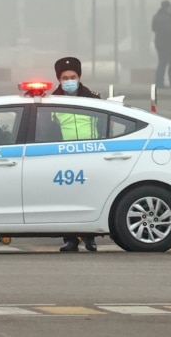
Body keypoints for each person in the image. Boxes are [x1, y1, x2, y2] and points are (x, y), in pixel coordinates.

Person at [51, 57, 99, 253]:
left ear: (79, 78)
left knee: (91, 195)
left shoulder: (93, 99)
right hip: (64, 156)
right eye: (65, 77)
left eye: (73, 77)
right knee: (66, 197)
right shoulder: (52, 101)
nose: (69, 80)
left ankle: (90, 238)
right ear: (59, 80)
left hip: (91, 154)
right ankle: (70, 239)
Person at [151, 0, 171, 88]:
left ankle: (158, 81)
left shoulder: (156, 16)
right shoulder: (167, 18)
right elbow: (169, 31)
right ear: (166, 8)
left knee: (161, 62)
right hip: (165, 43)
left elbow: (153, 29)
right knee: (163, 62)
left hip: (158, 42)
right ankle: (160, 83)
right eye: (170, 8)